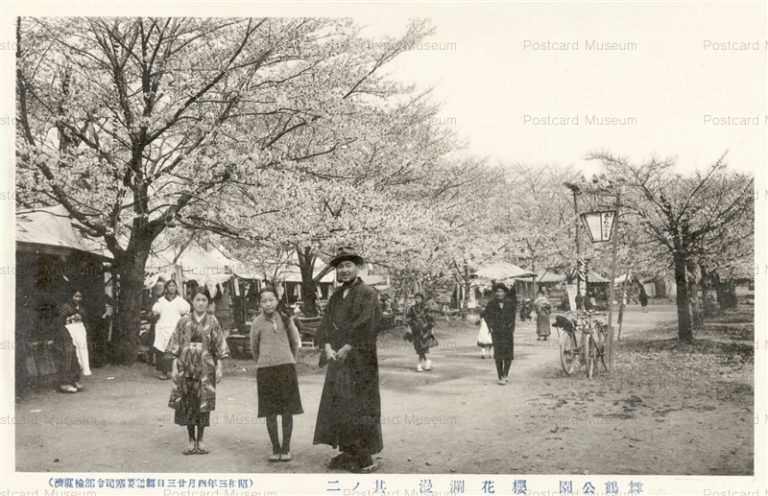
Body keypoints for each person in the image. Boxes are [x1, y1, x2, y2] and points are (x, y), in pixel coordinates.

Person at [313, 246, 382, 473]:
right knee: (338, 404)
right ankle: (347, 451)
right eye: (340, 266)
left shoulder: (367, 293)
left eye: (348, 265)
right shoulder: (335, 296)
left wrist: (348, 347)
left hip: (360, 360)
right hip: (337, 359)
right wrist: (327, 346)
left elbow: (368, 325)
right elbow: (325, 324)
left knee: (358, 405)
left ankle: (364, 456)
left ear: (357, 267)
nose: (343, 270)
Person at [167, 287, 229, 455]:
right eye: (197, 300)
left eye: (204, 300)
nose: (201, 303)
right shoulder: (183, 321)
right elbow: (176, 344)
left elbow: (219, 345)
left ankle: (200, 440)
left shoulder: (213, 321)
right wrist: (174, 366)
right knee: (188, 403)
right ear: (191, 302)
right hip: (185, 367)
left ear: (208, 303)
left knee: (203, 404)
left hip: (205, 368)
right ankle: (190, 440)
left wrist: (220, 366)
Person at [250, 287, 303, 462]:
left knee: (287, 411)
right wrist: (263, 361)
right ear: (260, 304)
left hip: (286, 368)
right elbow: (254, 347)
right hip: (266, 370)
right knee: (270, 412)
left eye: (271, 300)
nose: (268, 303)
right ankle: (275, 448)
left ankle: (286, 448)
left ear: (277, 301)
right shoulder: (257, 323)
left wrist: (290, 359)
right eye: (264, 301)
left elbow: (295, 342)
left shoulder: (286, 319)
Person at [152, 280, 190, 380]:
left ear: (176, 288)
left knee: (176, 350)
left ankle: (177, 372)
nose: (172, 288)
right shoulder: (161, 301)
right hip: (163, 328)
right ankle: (164, 373)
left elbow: (186, 312)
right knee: (163, 350)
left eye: (173, 286)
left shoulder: (180, 301)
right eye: (169, 286)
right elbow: (155, 312)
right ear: (166, 288)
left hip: (175, 328)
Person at [55, 289, 89, 393]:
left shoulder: (79, 307)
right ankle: (64, 383)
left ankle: (74, 379)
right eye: (75, 296)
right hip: (66, 332)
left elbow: (84, 317)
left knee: (77, 354)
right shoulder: (65, 307)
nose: (78, 299)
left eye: (79, 297)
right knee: (68, 353)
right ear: (70, 297)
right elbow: (60, 321)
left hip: (78, 332)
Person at [483, 283, 517, 385]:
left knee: (508, 354)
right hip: (496, 332)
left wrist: (511, 328)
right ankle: (500, 376)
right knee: (498, 355)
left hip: (507, 332)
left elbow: (513, 317)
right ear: (495, 293)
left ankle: (505, 374)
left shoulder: (510, 303)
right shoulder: (491, 304)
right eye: (497, 291)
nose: (499, 293)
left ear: (505, 292)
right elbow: (486, 316)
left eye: (501, 291)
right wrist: (491, 327)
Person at [405, 293, 437, 372]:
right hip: (415, 330)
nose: (417, 299)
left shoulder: (426, 308)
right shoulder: (412, 308)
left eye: (419, 298)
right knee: (418, 347)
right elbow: (408, 318)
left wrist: (432, 328)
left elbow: (431, 319)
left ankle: (419, 364)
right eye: (416, 298)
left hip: (425, 330)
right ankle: (426, 361)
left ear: (422, 299)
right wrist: (409, 327)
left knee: (422, 348)